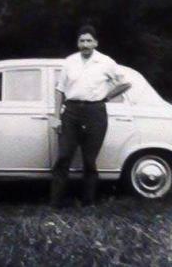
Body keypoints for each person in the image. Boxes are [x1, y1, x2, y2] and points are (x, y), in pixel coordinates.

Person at [50, 25, 131, 207]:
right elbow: (60, 90)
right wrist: (56, 117)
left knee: (89, 159)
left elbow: (125, 83)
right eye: (81, 41)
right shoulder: (69, 62)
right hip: (70, 112)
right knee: (64, 156)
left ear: (95, 43)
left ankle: (88, 202)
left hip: (95, 112)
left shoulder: (106, 62)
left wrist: (107, 96)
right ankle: (56, 203)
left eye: (88, 41)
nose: (85, 44)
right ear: (78, 43)